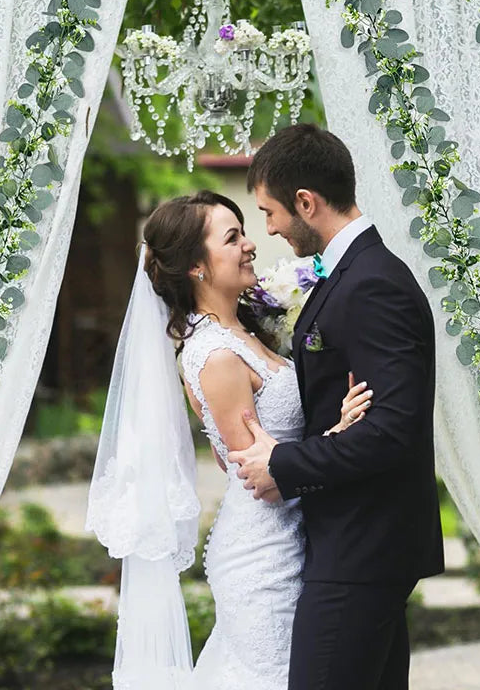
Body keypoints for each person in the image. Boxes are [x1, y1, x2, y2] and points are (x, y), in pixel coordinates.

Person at [86, 188, 371, 689]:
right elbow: (259, 477)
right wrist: (338, 434)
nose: (250, 246)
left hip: (286, 540)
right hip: (264, 558)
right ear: (196, 266)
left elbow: (227, 456)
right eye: (233, 237)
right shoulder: (214, 356)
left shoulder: (244, 332)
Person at [229, 123, 445, 690]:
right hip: (354, 542)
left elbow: (393, 431)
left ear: (307, 202)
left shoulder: (373, 283)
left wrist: (285, 464)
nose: (269, 228)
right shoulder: (351, 275)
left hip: (363, 546)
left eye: (270, 212)